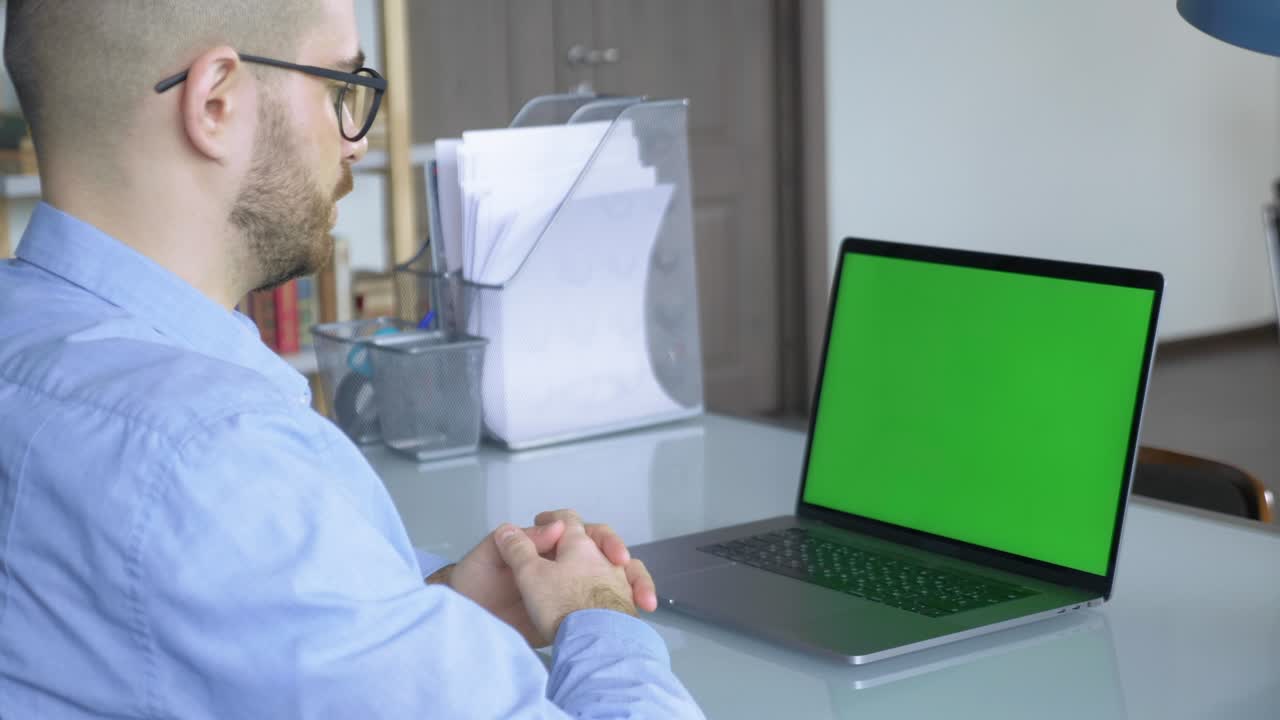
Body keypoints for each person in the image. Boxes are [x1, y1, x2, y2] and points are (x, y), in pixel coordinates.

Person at [0, 1, 704, 717]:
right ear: (215, 102)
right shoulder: (216, 460)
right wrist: (599, 617)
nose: (356, 142)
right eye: (339, 86)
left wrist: (431, 606)